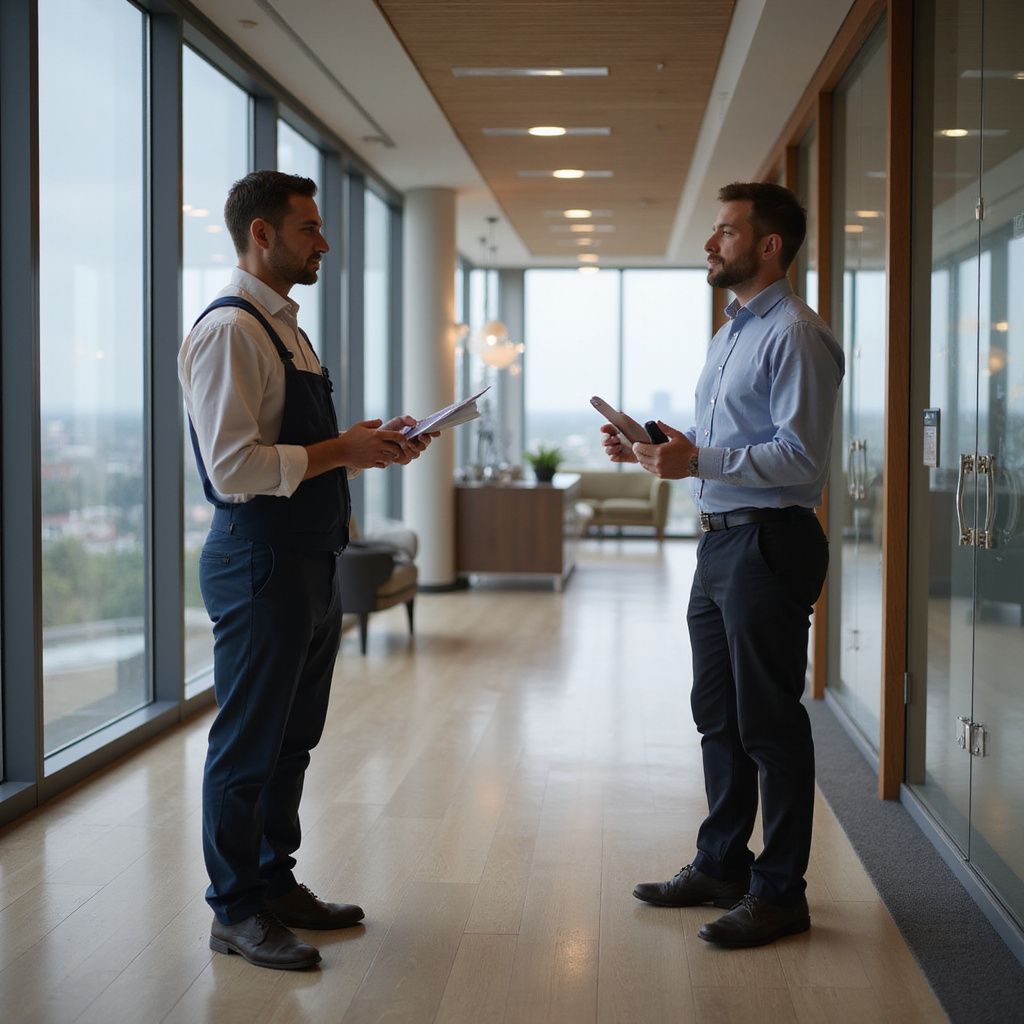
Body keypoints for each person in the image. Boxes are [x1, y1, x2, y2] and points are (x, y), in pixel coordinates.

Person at [179, 170, 432, 971]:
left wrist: (365, 443)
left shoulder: (285, 327)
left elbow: (299, 451)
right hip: (258, 561)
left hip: (306, 559)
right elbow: (231, 469)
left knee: (292, 741)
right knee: (247, 745)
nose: (323, 242)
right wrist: (340, 451)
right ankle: (235, 911)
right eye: (309, 229)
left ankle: (273, 882)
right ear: (262, 234)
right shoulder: (232, 329)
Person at [602, 182, 844, 948]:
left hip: (770, 542)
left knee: (770, 723)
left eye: (725, 232)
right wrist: (661, 448)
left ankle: (781, 894)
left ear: (768, 245)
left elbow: (801, 457)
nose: (711, 244)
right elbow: (731, 441)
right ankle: (722, 864)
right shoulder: (733, 330)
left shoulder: (796, 333)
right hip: (722, 541)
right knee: (719, 714)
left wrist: (699, 456)